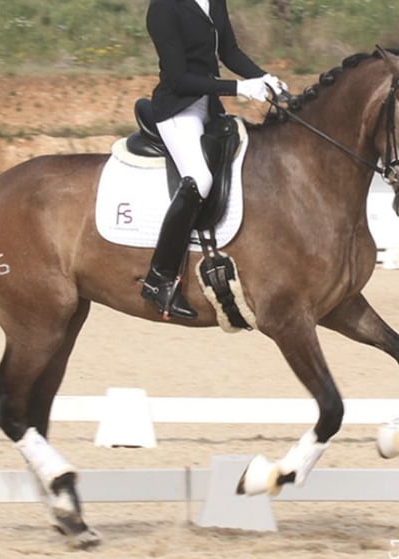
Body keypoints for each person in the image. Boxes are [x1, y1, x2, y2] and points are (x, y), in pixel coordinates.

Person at [140, 0, 287, 320]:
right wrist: (239, 88)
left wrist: (265, 78)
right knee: (201, 179)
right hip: (178, 109)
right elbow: (178, 78)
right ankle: (159, 279)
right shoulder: (163, 8)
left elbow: (230, 51)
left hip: (209, 108)